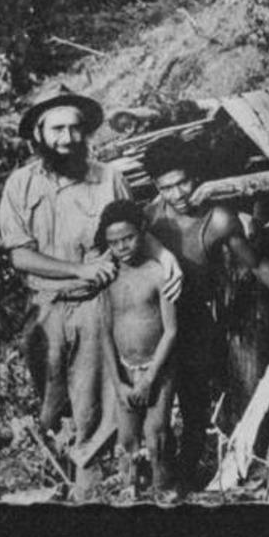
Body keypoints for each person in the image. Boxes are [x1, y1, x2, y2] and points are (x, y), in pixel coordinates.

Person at [0, 85, 181, 500]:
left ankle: (95, 487)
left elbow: (132, 229)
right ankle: (63, 474)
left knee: (95, 402)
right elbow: (21, 257)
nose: (68, 138)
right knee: (50, 403)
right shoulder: (20, 185)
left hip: (95, 306)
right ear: (39, 134)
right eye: (58, 129)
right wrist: (77, 268)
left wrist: (165, 256)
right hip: (43, 309)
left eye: (76, 128)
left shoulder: (108, 178)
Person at [142, 136, 269, 487]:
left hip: (199, 317)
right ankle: (167, 476)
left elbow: (257, 264)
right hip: (158, 320)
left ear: (196, 177)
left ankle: (225, 463)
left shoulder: (218, 219)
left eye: (183, 182)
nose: (179, 194)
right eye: (167, 187)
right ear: (156, 188)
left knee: (211, 393)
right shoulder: (151, 221)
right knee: (167, 403)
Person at [95, 200, 178, 499]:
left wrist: (149, 379)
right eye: (114, 242)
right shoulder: (108, 278)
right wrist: (118, 383)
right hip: (125, 370)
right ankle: (129, 489)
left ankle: (162, 488)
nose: (122, 247)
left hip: (158, 369)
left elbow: (171, 331)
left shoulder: (158, 272)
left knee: (156, 433)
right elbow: (104, 332)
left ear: (142, 231)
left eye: (128, 238)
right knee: (127, 436)